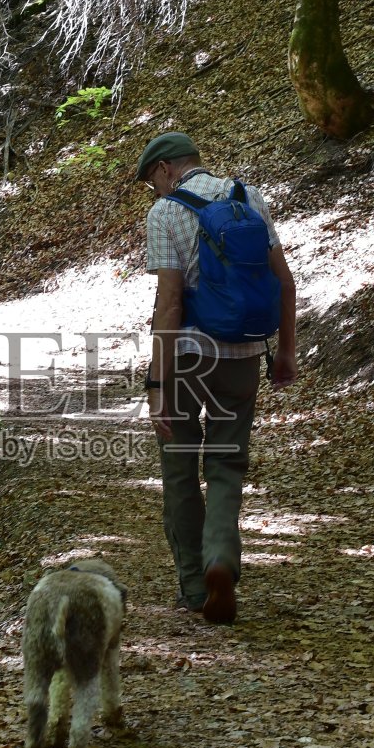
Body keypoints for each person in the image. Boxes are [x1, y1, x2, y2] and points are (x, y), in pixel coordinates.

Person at [136, 131, 296, 624]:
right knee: (227, 465)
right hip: (244, 354)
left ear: (165, 169)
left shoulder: (165, 213)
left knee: (180, 469)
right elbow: (285, 282)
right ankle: (221, 560)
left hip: (187, 357)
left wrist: (157, 385)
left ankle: (193, 587)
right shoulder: (249, 197)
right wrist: (286, 352)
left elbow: (169, 304)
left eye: (153, 182)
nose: (155, 190)